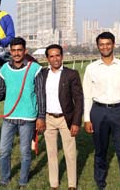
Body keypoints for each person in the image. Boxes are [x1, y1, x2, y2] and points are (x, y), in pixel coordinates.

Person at [0, 37, 45, 187]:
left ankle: (23, 180)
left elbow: (40, 93)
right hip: (9, 117)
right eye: (13, 50)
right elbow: (1, 89)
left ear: (25, 51)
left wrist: (41, 117)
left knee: (25, 152)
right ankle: (4, 179)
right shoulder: (5, 69)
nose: (16, 53)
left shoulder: (34, 69)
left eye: (19, 50)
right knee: (4, 151)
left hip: (28, 117)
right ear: (10, 52)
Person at [83, 32, 120, 190]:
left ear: (114, 45)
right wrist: (87, 118)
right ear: (97, 46)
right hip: (98, 112)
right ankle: (100, 182)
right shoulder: (91, 68)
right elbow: (87, 95)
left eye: (108, 44)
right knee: (100, 151)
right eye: (102, 44)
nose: (105, 47)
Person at [39, 44, 83, 190]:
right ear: (47, 58)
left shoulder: (71, 74)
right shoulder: (42, 74)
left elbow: (79, 100)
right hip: (48, 118)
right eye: (51, 56)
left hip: (66, 118)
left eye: (57, 55)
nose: (55, 59)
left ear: (62, 56)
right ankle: (54, 184)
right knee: (51, 154)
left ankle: (72, 185)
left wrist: (76, 122)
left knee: (70, 153)